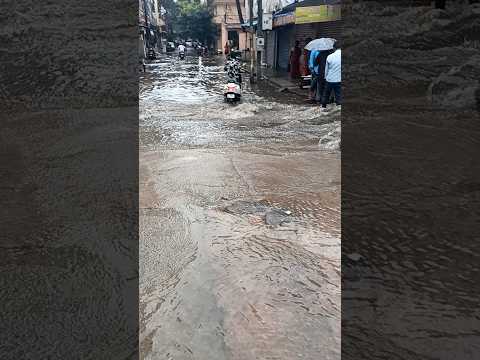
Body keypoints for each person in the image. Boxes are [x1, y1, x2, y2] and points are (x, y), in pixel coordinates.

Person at [322, 42, 341, 109]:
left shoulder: (329, 56)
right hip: (339, 80)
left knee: (326, 95)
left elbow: (326, 70)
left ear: (333, 48)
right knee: (339, 95)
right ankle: (339, 106)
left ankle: (323, 107)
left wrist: (325, 77)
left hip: (329, 79)